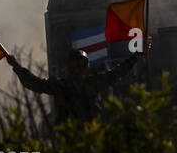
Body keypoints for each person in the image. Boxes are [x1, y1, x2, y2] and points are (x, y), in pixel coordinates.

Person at [7, 48, 141, 125]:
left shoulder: (93, 82)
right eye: (74, 66)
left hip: (92, 136)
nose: (78, 70)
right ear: (69, 68)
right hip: (69, 139)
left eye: (81, 65)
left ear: (86, 67)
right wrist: (17, 67)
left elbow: (118, 72)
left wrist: (137, 55)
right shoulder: (61, 86)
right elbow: (34, 83)